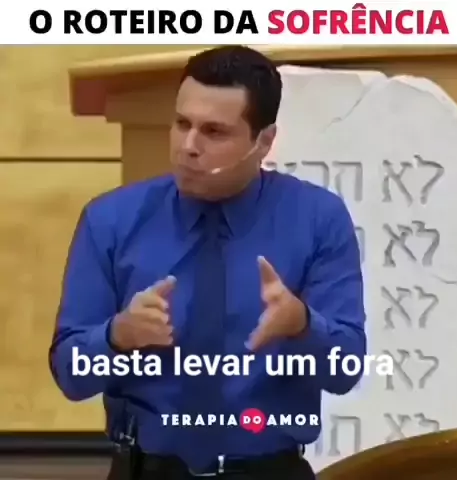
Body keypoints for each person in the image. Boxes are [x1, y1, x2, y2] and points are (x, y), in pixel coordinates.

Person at [49, 45, 366, 480]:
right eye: (182, 124)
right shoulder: (111, 221)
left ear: (264, 141)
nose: (189, 147)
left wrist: (302, 325)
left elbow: (345, 370)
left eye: (214, 132)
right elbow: (71, 376)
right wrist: (116, 337)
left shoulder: (317, 219)